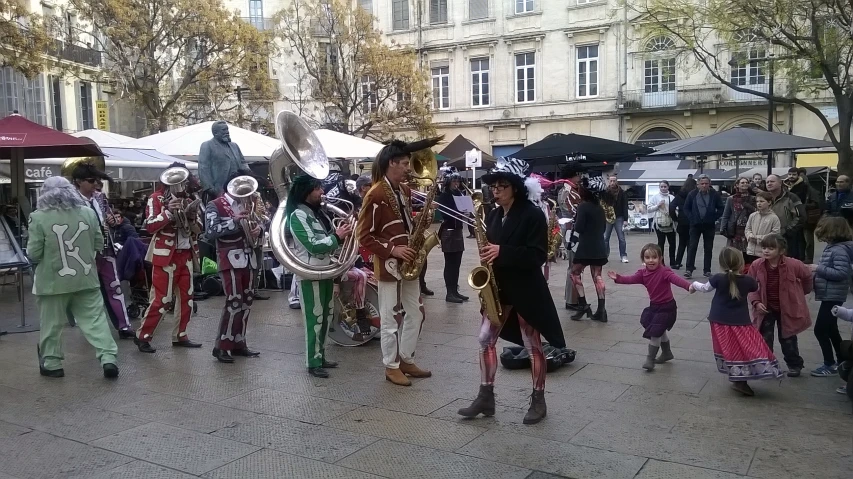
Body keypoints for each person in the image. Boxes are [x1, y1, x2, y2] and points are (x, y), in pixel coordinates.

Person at [457, 158, 568, 425]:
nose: (495, 190)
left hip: (527, 290)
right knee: (485, 339)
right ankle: (486, 396)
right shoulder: (493, 215)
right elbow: (491, 250)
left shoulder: (532, 215)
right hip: (499, 289)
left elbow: (538, 255)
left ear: (515, 188)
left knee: (533, 346)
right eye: (494, 185)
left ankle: (538, 400)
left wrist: (502, 252)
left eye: (502, 185)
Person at [357, 137, 441, 386]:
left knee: (416, 313)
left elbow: (402, 224)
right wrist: (394, 250)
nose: (408, 168)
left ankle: (406, 358)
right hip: (390, 265)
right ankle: (391, 365)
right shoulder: (375, 194)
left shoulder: (402, 190)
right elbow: (364, 236)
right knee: (391, 318)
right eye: (404, 163)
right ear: (391, 163)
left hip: (408, 264)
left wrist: (421, 219)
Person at [29, 177, 119, 379]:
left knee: (52, 324)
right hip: (86, 278)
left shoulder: (38, 217)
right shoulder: (88, 213)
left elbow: (34, 253)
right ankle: (108, 358)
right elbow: (98, 244)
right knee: (95, 320)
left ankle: (52, 363)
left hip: (52, 282)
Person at [690, 247, 784, 396]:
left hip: (719, 321)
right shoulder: (748, 281)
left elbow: (704, 288)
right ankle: (748, 375)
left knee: (730, 349)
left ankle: (739, 379)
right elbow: (756, 286)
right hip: (741, 322)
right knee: (747, 346)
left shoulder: (718, 278)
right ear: (741, 263)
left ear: (722, 264)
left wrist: (693, 285)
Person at [286, 175, 353, 378]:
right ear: (307, 191)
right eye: (318, 189)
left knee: (325, 317)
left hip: (324, 271)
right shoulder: (298, 215)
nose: (322, 192)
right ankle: (312, 362)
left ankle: (320, 356)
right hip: (310, 274)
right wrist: (337, 237)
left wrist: (341, 235)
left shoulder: (313, 215)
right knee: (314, 318)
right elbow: (313, 245)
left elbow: (326, 241)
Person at [134, 165, 204, 353]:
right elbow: (149, 226)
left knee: (187, 298)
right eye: (176, 180)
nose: (180, 184)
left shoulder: (189, 199)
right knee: (161, 300)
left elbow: (199, 228)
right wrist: (168, 212)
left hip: (186, 254)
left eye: (183, 179)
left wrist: (191, 217)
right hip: (165, 256)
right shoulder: (155, 198)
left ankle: (181, 335)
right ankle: (143, 336)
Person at [70, 163, 134, 339]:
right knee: (87, 293)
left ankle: (124, 326)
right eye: (91, 181)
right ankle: (91, 327)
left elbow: (108, 218)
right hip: (84, 253)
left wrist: (111, 221)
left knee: (115, 288)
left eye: (97, 181)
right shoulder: (70, 201)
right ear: (78, 182)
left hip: (106, 249)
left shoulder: (100, 197)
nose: (95, 185)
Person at [205, 174, 263, 363]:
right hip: (230, 258)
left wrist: (259, 230)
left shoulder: (250, 202)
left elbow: (261, 222)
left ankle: (239, 342)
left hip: (250, 258)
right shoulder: (215, 204)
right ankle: (221, 345)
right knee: (234, 301)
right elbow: (211, 231)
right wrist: (235, 221)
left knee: (247, 301)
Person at [609, 243, 692, 370]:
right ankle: (667, 353)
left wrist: (689, 286)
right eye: (647, 257)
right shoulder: (643, 273)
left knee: (655, 333)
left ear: (660, 258)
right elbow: (631, 279)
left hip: (667, 307)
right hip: (654, 307)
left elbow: (676, 280)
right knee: (658, 329)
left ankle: (650, 359)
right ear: (643, 259)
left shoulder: (664, 271)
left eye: (654, 257)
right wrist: (618, 278)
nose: (651, 260)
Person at [748, 234, 812, 377]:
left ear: (781, 250)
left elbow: (807, 276)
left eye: (771, 248)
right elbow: (750, 286)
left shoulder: (793, 264)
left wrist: (802, 292)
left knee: (788, 338)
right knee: (765, 337)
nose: (766, 251)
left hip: (787, 308)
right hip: (766, 308)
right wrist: (756, 302)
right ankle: (766, 364)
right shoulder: (757, 265)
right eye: (764, 247)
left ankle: (794, 365)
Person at [807, 217, 853, 377]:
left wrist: (818, 268)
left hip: (833, 294)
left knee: (821, 330)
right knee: (832, 329)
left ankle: (829, 363)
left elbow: (842, 273)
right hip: (830, 293)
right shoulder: (835, 247)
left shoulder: (838, 249)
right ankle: (842, 361)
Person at [569, 179, 608, 322]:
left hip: (586, 247)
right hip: (599, 246)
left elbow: (579, 228)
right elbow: (604, 228)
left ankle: (583, 304)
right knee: (597, 276)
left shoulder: (583, 206)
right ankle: (602, 310)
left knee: (574, 273)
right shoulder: (600, 207)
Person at [198, 121, 253, 203]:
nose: (227, 132)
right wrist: (212, 190)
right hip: (219, 191)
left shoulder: (234, 145)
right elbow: (203, 168)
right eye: (223, 130)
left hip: (238, 190)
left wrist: (248, 174)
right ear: (215, 133)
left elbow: (242, 162)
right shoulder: (207, 145)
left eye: (227, 129)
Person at [683, 174, 725, 278]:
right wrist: (692, 218)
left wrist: (713, 217)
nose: (704, 185)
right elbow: (686, 208)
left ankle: (707, 270)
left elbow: (721, 208)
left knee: (708, 248)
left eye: (706, 183)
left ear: (710, 184)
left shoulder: (714, 194)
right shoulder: (692, 194)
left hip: (709, 225)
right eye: (702, 184)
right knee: (692, 247)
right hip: (695, 225)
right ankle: (689, 269)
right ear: (698, 184)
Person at [437, 173, 468, 303]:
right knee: (450, 263)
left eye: (458, 181)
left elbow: (465, 209)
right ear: (449, 182)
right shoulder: (444, 196)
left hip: (458, 230)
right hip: (448, 231)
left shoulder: (460, 194)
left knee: (457, 263)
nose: (456, 184)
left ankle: (455, 290)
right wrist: (459, 210)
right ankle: (449, 293)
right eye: (454, 181)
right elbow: (445, 213)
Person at [764, 174, 806, 261]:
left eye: (772, 181)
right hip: (768, 238)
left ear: (780, 183)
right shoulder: (764, 198)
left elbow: (801, 217)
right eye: (767, 182)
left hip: (787, 239)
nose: (769, 184)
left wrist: (787, 230)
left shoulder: (791, 197)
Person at [787, 168, 823, 263]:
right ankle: (799, 258)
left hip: (806, 219)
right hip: (792, 218)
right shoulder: (786, 186)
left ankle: (807, 259)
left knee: (807, 241)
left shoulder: (807, 188)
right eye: (790, 174)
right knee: (796, 240)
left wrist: (801, 206)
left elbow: (816, 203)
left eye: (794, 174)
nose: (791, 176)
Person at [719, 177, 756, 259]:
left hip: (749, 229)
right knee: (734, 255)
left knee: (748, 255)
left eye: (746, 182)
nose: (745, 184)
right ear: (737, 185)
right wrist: (723, 228)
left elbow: (756, 212)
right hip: (735, 230)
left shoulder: (753, 198)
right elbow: (726, 215)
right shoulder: (731, 199)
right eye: (742, 183)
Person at [744, 192, 781, 265]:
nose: (759, 203)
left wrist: (757, 238)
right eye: (757, 201)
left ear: (769, 202)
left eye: (762, 201)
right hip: (750, 251)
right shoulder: (753, 215)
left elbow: (775, 234)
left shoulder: (774, 218)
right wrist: (749, 236)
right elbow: (747, 229)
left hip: (763, 252)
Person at [669, 177, 695, 270]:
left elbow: (671, 207)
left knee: (682, 243)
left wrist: (675, 218)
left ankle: (677, 262)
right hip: (692, 221)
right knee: (691, 244)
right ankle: (690, 263)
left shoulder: (680, 195)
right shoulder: (694, 194)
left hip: (682, 221)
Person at [601, 175, 629, 263]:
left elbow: (625, 206)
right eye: (611, 181)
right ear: (608, 181)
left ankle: (623, 255)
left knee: (621, 238)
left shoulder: (622, 192)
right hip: (608, 217)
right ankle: (605, 256)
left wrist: (625, 219)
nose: (612, 183)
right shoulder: (605, 191)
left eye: (614, 181)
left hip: (618, 217)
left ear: (617, 181)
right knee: (605, 238)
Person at [647, 180, 676, 266]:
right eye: (661, 187)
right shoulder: (655, 197)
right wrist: (657, 206)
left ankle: (673, 262)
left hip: (670, 223)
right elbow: (649, 209)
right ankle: (661, 262)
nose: (663, 188)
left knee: (672, 243)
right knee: (661, 243)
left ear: (668, 187)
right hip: (659, 223)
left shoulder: (672, 197)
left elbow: (676, 208)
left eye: (665, 186)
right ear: (659, 187)